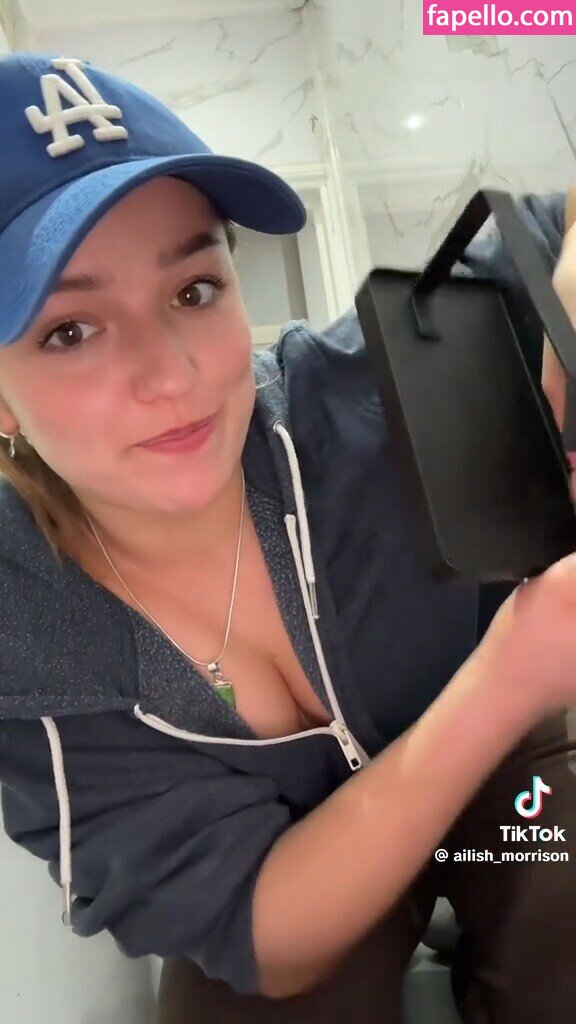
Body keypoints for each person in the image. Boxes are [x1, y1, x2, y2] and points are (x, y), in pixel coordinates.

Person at [0, 52, 574, 1024]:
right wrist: (515, 669)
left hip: (511, 786)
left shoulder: (358, 395)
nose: (172, 374)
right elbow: (263, 934)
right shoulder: (25, 629)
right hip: (290, 864)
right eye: (70, 331)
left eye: (192, 290)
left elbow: (557, 227)